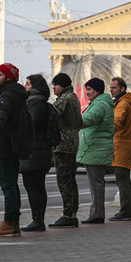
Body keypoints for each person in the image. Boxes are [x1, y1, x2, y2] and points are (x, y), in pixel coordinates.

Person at [0, 63, 28, 237]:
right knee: (12, 185)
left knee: (7, 184)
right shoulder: (18, 94)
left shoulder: (7, 96)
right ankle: (13, 222)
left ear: (9, 77)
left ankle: (9, 222)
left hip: (5, 144)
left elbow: (0, 121)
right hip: (14, 144)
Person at [77, 78, 114, 224]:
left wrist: (73, 120)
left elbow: (88, 120)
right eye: (86, 89)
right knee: (96, 184)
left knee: (96, 184)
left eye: (90, 90)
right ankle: (96, 213)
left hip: (96, 148)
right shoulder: (99, 103)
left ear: (98, 90)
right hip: (95, 148)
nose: (87, 93)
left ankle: (97, 214)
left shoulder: (100, 105)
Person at [19, 74, 53, 231]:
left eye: (27, 84)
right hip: (40, 150)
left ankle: (37, 220)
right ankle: (38, 219)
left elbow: (31, 122)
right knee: (38, 186)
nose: (25, 87)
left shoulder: (35, 103)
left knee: (33, 186)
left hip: (35, 151)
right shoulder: (40, 102)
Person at [49, 73, 83, 227]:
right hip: (73, 142)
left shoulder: (65, 98)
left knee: (64, 180)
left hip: (63, 144)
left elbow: (52, 114)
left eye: (55, 85)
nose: (54, 87)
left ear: (62, 85)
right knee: (71, 179)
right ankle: (73, 212)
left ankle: (67, 214)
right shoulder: (74, 97)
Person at [108, 77, 131, 221]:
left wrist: (104, 130)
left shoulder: (122, 104)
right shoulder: (124, 102)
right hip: (123, 143)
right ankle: (126, 211)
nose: (111, 90)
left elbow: (116, 122)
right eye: (110, 87)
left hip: (121, 144)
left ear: (122, 89)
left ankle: (125, 212)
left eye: (114, 87)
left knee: (122, 178)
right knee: (123, 178)